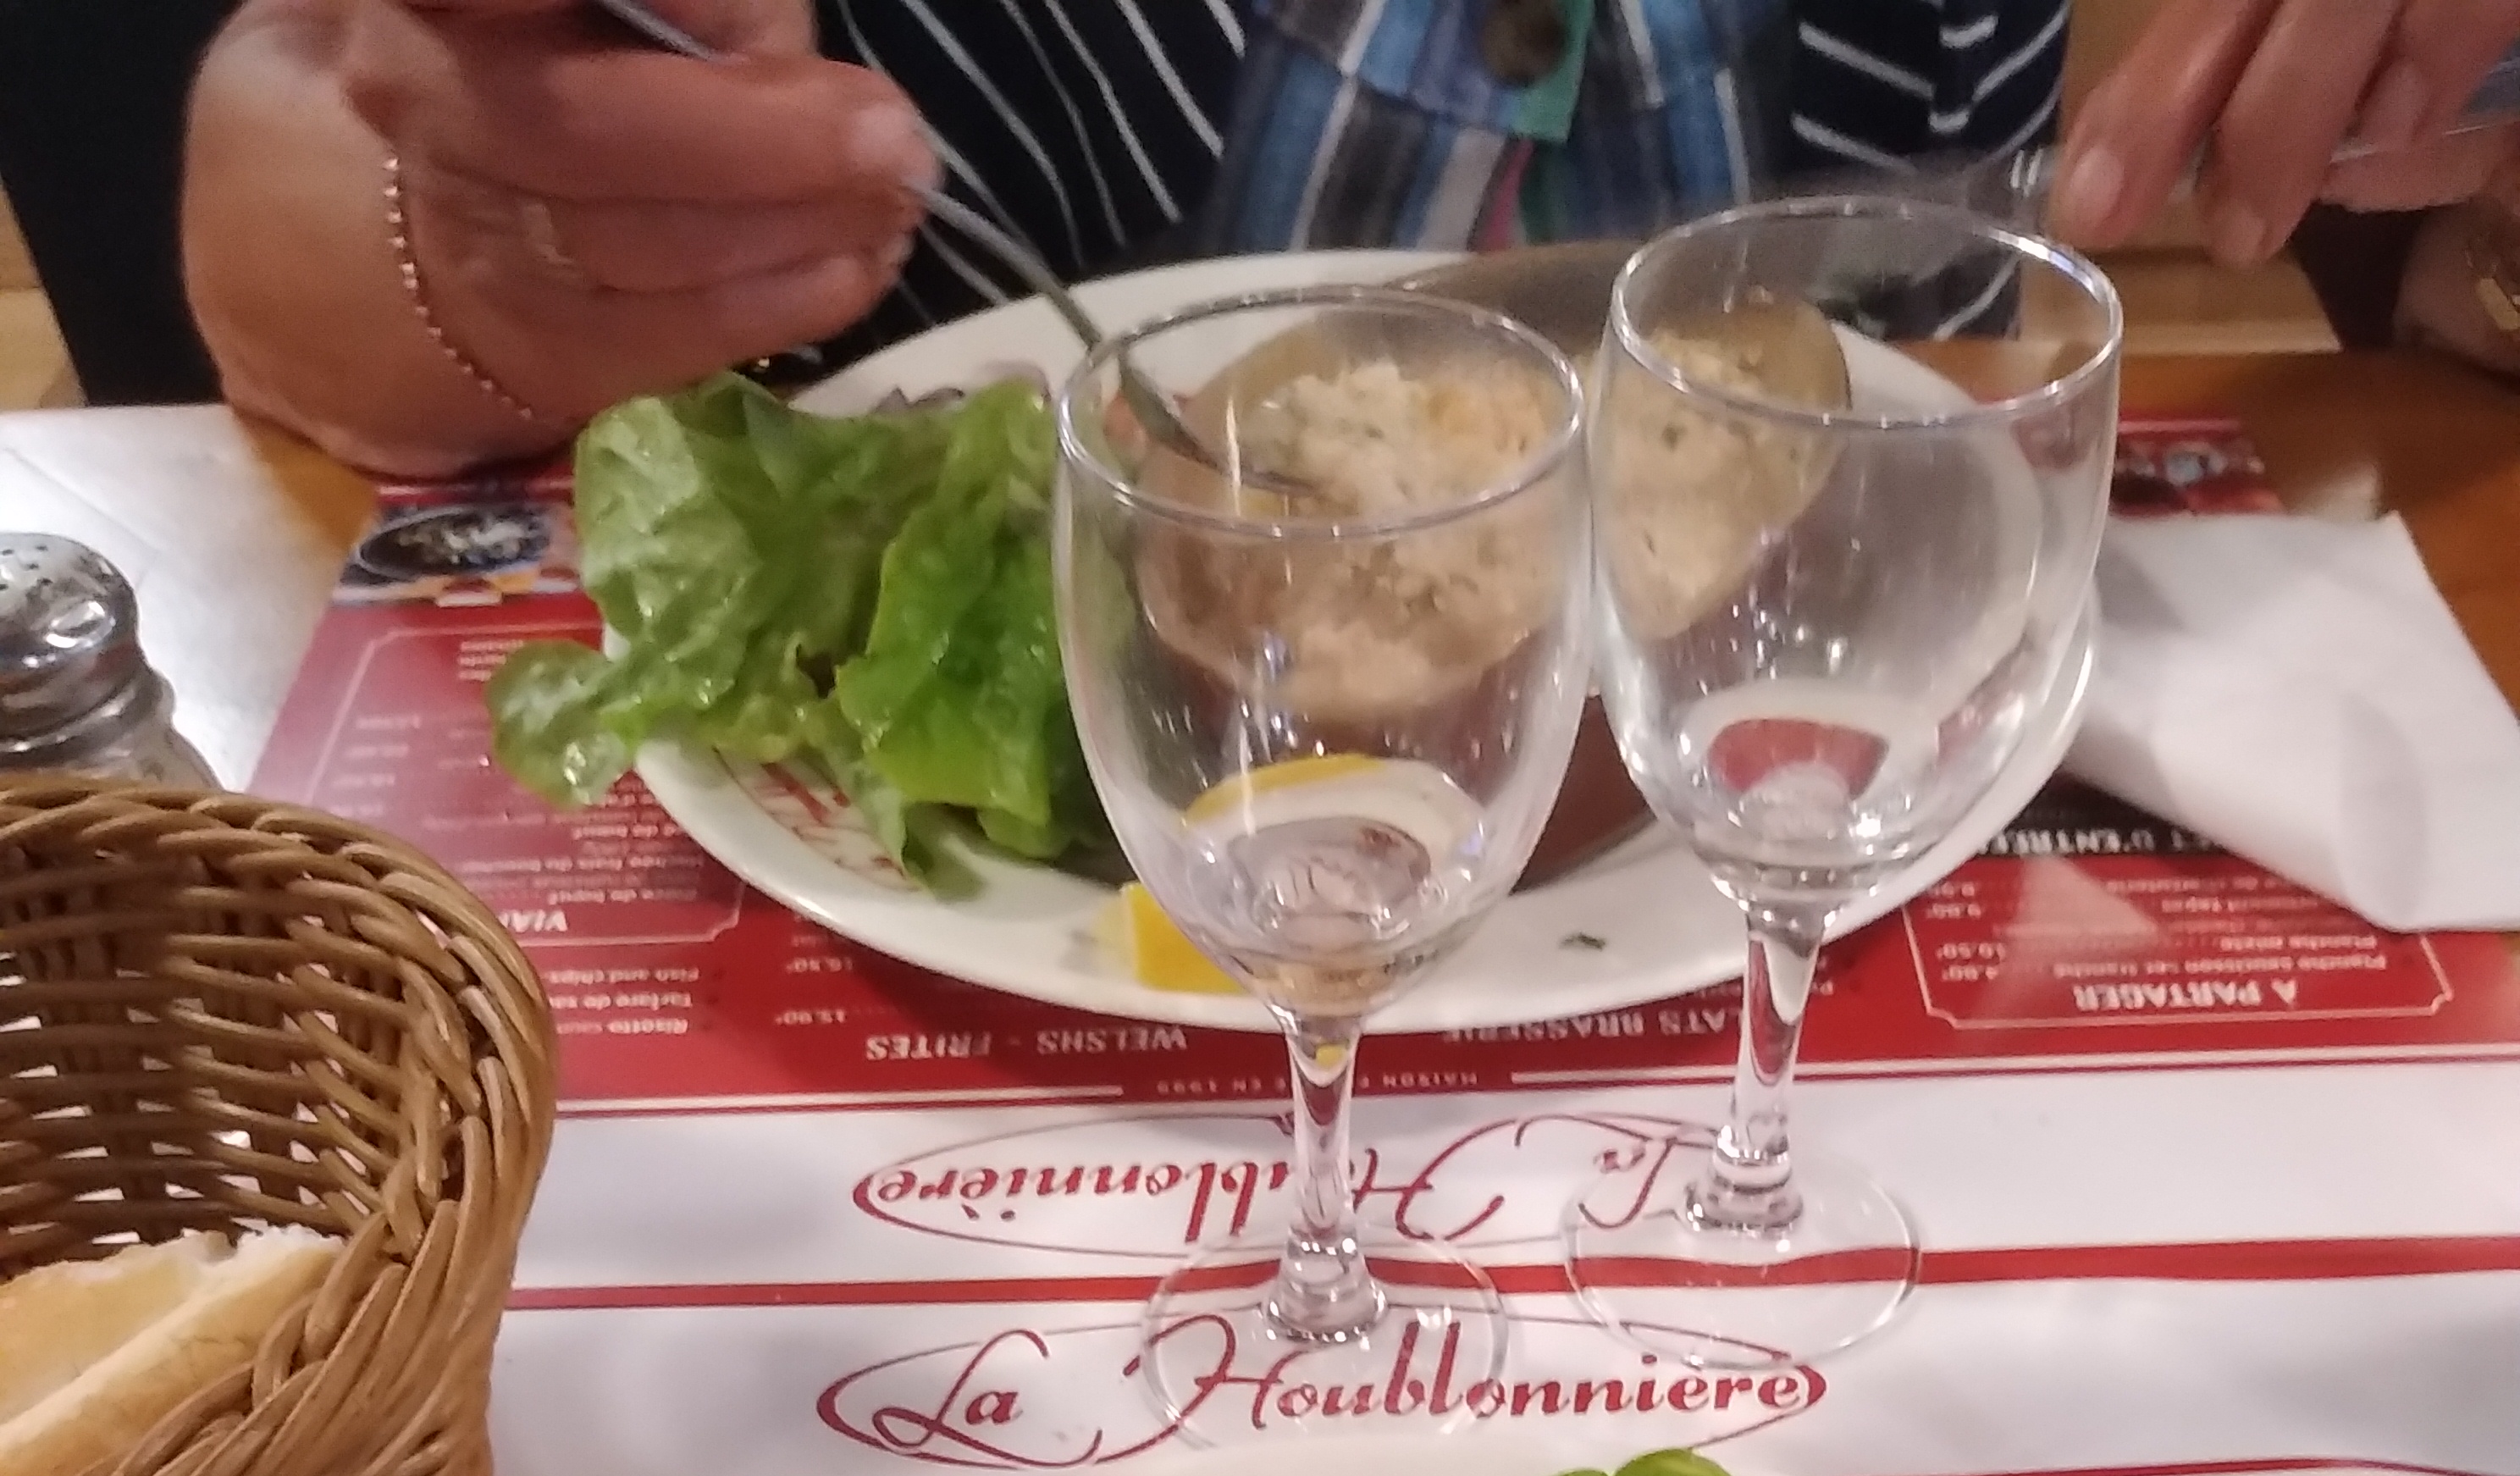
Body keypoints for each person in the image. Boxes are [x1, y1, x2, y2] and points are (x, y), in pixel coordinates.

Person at [185, 0, 2520, 478]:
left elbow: (2438, 276)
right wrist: (480, 238)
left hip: (1814, 877)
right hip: (977, 1015)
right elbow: (273, 160)